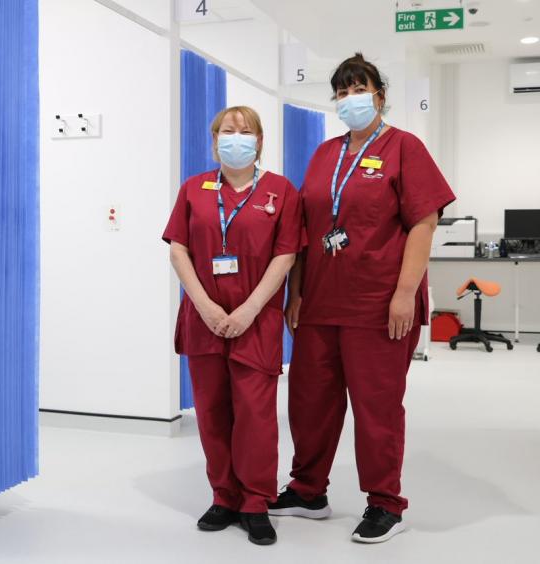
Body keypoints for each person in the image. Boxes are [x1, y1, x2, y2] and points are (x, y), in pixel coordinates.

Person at [267, 53, 456, 543]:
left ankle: (385, 503)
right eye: (343, 91)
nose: (351, 98)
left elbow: (423, 222)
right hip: (320, 303)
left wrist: (404, 294)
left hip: (378, 303)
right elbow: (309, 227)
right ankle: (309, 490)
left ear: (380, 95)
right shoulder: (325, 154)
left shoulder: (403, 147)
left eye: (360, 88)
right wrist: (297, 290)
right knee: (309, 401)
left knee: (377, 407)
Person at [162, 106, 303, 546]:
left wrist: (249, 309)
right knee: (212, 412)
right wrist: (202, 305)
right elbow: (178, 250)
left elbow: (286, 256)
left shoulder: (280, 191)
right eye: (228, 130)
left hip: (255, 320)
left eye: (245, 131)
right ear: (214, 140)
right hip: (203, 319)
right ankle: (224, 495)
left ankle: (255, 502)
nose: (236, 137)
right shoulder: (194, 189)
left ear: (259, 141)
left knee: (256, 415)